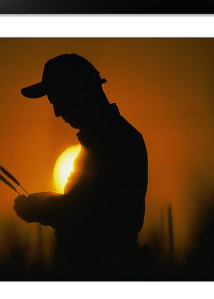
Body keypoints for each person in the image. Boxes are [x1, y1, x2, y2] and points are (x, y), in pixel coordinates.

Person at [14, 53, 148, 280]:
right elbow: (84, 204)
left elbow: (94, 217)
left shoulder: (112, 143)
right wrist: (46, 203)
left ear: (77, 92)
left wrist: (40, 208)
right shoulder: (109, 140)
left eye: (58, 99)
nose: (57, 112)